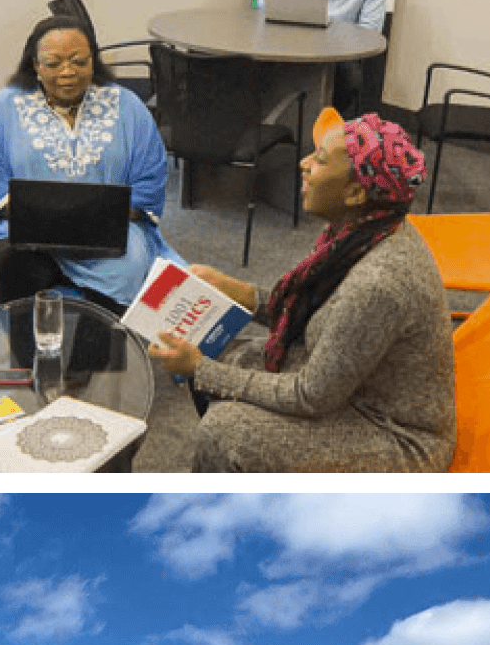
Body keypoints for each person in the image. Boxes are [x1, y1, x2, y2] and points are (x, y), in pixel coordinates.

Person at [148, 114, 457, 473]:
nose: (303, 164)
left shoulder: (377, 283)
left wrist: (200, 369)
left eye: (320, 160)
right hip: (353, 389)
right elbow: (307, 306)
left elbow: (311, 395)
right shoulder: (358, 231)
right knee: (231, 356)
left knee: (224, 431)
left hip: (394, 435)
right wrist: (237, 291)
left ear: (355, 193)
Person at [0, 14, 177, 315]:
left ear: (94, 62)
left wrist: (102, 214)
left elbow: (150, 178)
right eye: (53, 63)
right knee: (14, 266)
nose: (68, 72)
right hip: (25, 234)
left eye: (79, 61)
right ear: (35, 66)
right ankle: (30, 360)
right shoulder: (3, 108)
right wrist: (41, 213)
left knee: (128, 267)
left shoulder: (128, 106)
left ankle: (98, 358)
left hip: (110, 232)